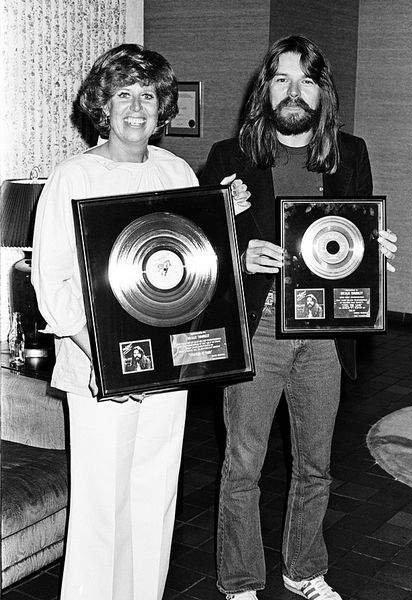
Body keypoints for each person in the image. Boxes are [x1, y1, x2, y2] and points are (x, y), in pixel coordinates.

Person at [32, 44, 248, 600]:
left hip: (166, 368)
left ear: (162, 107)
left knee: (155, 496)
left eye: (147, 95)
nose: (135, 108)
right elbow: (52, 286)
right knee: (102, 505)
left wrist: (223, 214)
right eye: (123, 94)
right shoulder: (72, 176)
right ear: (102, 106)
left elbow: (190, 264)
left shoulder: (175, 170)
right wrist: (108, 359)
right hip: (98, 370)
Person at [199, 35, 397, 600]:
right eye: (282, 78)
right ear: (266, 89)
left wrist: (372, 253)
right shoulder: (229, 157)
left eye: (306, 80)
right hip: (259, 325)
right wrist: (237, 253)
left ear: (321, 92)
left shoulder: (350, 153)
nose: (294, 90)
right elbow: (197, 248)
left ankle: (304, 569)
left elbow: (353, 236)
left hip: (325, 332)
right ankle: (240, 581)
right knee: (243, 465)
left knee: (316, 463)